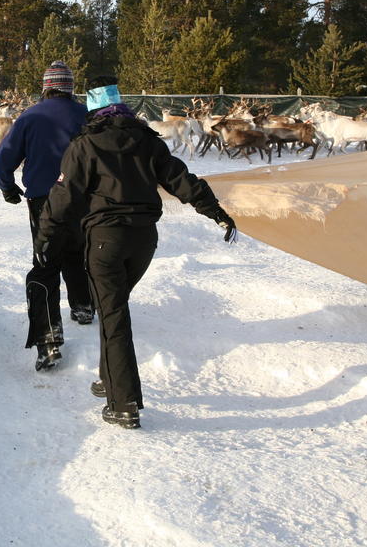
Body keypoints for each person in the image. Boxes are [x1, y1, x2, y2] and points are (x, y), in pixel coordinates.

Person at [34, 76, 236, 429]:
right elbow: (181, 180)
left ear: (93, 109)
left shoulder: (85, 145)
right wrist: (216, 212)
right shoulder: (147, 141)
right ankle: (109, 377)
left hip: (104, 241)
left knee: (114, 319)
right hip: (144, 241)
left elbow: (63, 197)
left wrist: (45, 238)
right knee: (114, 310)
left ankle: (123, 403)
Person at [0, 61, 94, 371]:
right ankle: (83, 306)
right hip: (85, 198)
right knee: (78, 252)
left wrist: (7, 186)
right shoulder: (87, 116)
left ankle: (48, 342)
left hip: (43, 200)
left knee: (46, 261)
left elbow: (5, 156)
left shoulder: (30, 116)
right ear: (70, 87)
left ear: (46, 86)